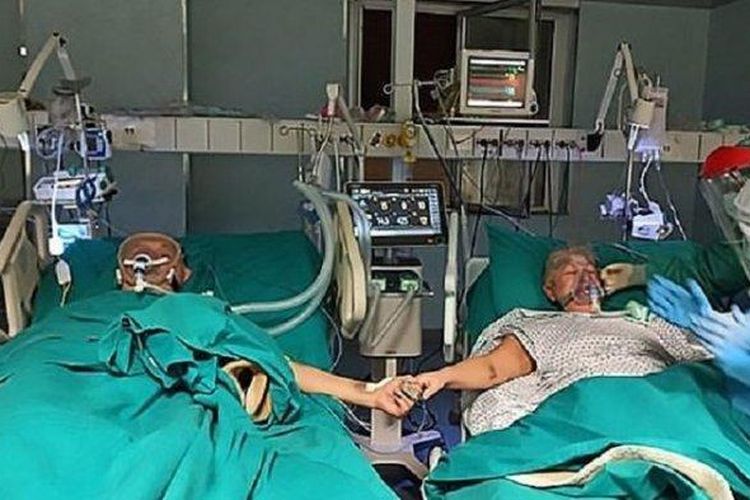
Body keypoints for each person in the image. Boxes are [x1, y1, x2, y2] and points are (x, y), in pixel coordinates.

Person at [115, 232, 418, 419]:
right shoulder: (91, 307)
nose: (147, 257)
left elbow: (274, 363)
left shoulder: (198, 310)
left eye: (160, 252)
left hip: (164, 406)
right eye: (139, 252)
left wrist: (369, 393)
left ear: (182, 271)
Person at [414, 246, 709, 435]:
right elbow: (494, 368)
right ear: (550, 290)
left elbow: (703, 358)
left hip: (653, 401)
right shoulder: (537, 324)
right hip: (586, 404)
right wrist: (441, 376)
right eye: (571, 272)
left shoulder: (643, 321)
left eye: (590, 271)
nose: (584, 277)